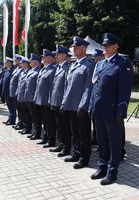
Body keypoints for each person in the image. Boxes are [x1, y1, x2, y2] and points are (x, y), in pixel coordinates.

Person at [89, 33, 133, 185]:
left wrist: (121, 112)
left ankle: (112, 171)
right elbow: (95, 87)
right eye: (103, 45)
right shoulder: (100, 64)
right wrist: (91, 106)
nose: (105, 48)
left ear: (116, 46)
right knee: (101, 141)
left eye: (108, 45)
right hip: (99, 110)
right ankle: (102, 167)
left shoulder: (123, 63)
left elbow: (125, 90)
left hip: (113, 111)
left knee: (114, 142)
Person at [61, 36, 94, 169]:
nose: (74, 49)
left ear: (84, 49)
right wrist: (64, 102)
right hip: (71, 105)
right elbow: (68, 86)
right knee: (75, 131)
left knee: (84, 133)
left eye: (77, 47)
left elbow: (88, 87)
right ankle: (76, 152)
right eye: (73, 47)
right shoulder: (73, 65)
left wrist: (83, 106)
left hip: (81, 107)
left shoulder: (89, 65)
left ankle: (84, 158)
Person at [49, 45, 72, 157]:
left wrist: (64, 102)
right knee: (58, 125)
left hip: (62, 102)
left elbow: (67, 87)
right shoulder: (58, 67)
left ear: (64, 55)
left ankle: (66, 148)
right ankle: (60, 144)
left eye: (58, 54)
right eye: (56, 55)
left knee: (65, 126)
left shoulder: (67, 67)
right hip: (55, 101)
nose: (56, 56)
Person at [34, 49, 56, 148]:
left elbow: (52, 87)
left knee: (49, 121)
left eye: (44, 57)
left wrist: (50, 100)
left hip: (47, 100)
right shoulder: (43, 69)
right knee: (45, 121)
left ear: (50, 58)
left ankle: (51, 140)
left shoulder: (52, 70)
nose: (42, 58)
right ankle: (46, 137)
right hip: (41, 100)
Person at [24, 53, 42, 140]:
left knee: (36, 117)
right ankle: (34, 131)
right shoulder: (31, 71)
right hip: (29, 97)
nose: (30, 62)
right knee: (33, 116)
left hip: (34, 98)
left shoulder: (38, 71)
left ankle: (37, 133)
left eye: (32, 61)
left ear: (37, 62)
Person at [91, 49, 105, 146]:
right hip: (94, 98)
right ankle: (95, 138)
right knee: (95, 121)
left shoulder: (103, 65)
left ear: (101, 56)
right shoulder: (95, 65)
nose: (94, 58)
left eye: (96, 56)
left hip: (103, 100)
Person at [16, 57, 31, 134]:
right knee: (21, 112)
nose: (21, 64)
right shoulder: (22, 72)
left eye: (22, 63)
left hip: (25, 97)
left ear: (26, 64)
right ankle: (24, 126)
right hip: (20, 95)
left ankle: (28, 128)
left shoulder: (29, 72)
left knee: (26, 114)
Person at [9, 54, 24, 130]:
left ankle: (21, 123)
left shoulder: (21, 69)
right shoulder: (17, 69)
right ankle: (20, 122)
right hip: (14, 92)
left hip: (17, 91)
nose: (15, 61)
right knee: (18, 109)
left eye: (16, 60)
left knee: (21, 110)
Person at [2, 57, 15, 125]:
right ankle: (10, 118)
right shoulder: (8, 71)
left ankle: (12, 120)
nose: (5, 64)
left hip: (10, 91)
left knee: (12, 106)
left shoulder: (12, 71)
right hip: (6, 91)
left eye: (6, 62)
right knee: (9, 106)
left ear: (10, 63)